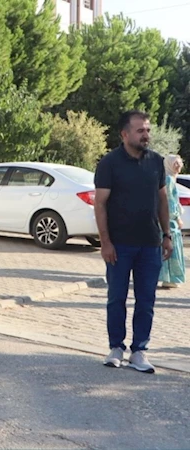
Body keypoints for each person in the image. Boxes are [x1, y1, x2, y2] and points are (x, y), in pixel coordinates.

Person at [94, 110, 173, 374]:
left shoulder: (156, 161)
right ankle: (116, 348)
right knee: (116, 298)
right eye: (140, 131)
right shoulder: (110, 163)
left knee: (146, 301)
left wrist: (167, 234)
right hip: (119, 244)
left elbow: (162, 200)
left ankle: (139, 351)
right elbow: (100, 204)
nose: (146, 135)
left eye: (148, 130)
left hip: (150, 244)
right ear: (125, 134)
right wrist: (105, 242)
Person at [159, 154, 185, 288]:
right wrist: (177, 217)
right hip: (170, 221)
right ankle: (169, 279)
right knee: (171, 249)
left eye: (179, 163)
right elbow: (169, 202)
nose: (178, 166)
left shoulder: (171, 178)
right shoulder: (168, 180)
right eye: (175, 163)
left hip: (171, 221)